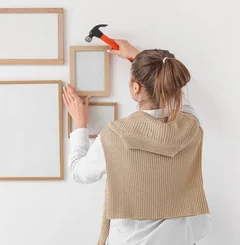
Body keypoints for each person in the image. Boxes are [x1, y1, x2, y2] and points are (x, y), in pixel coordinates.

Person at [62, 39, 211, 245]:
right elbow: (177, 93)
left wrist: (80, 124)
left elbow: (80, 173)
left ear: (135, 88)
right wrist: (135, 56)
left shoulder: (114, 136)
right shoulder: (192, 126)